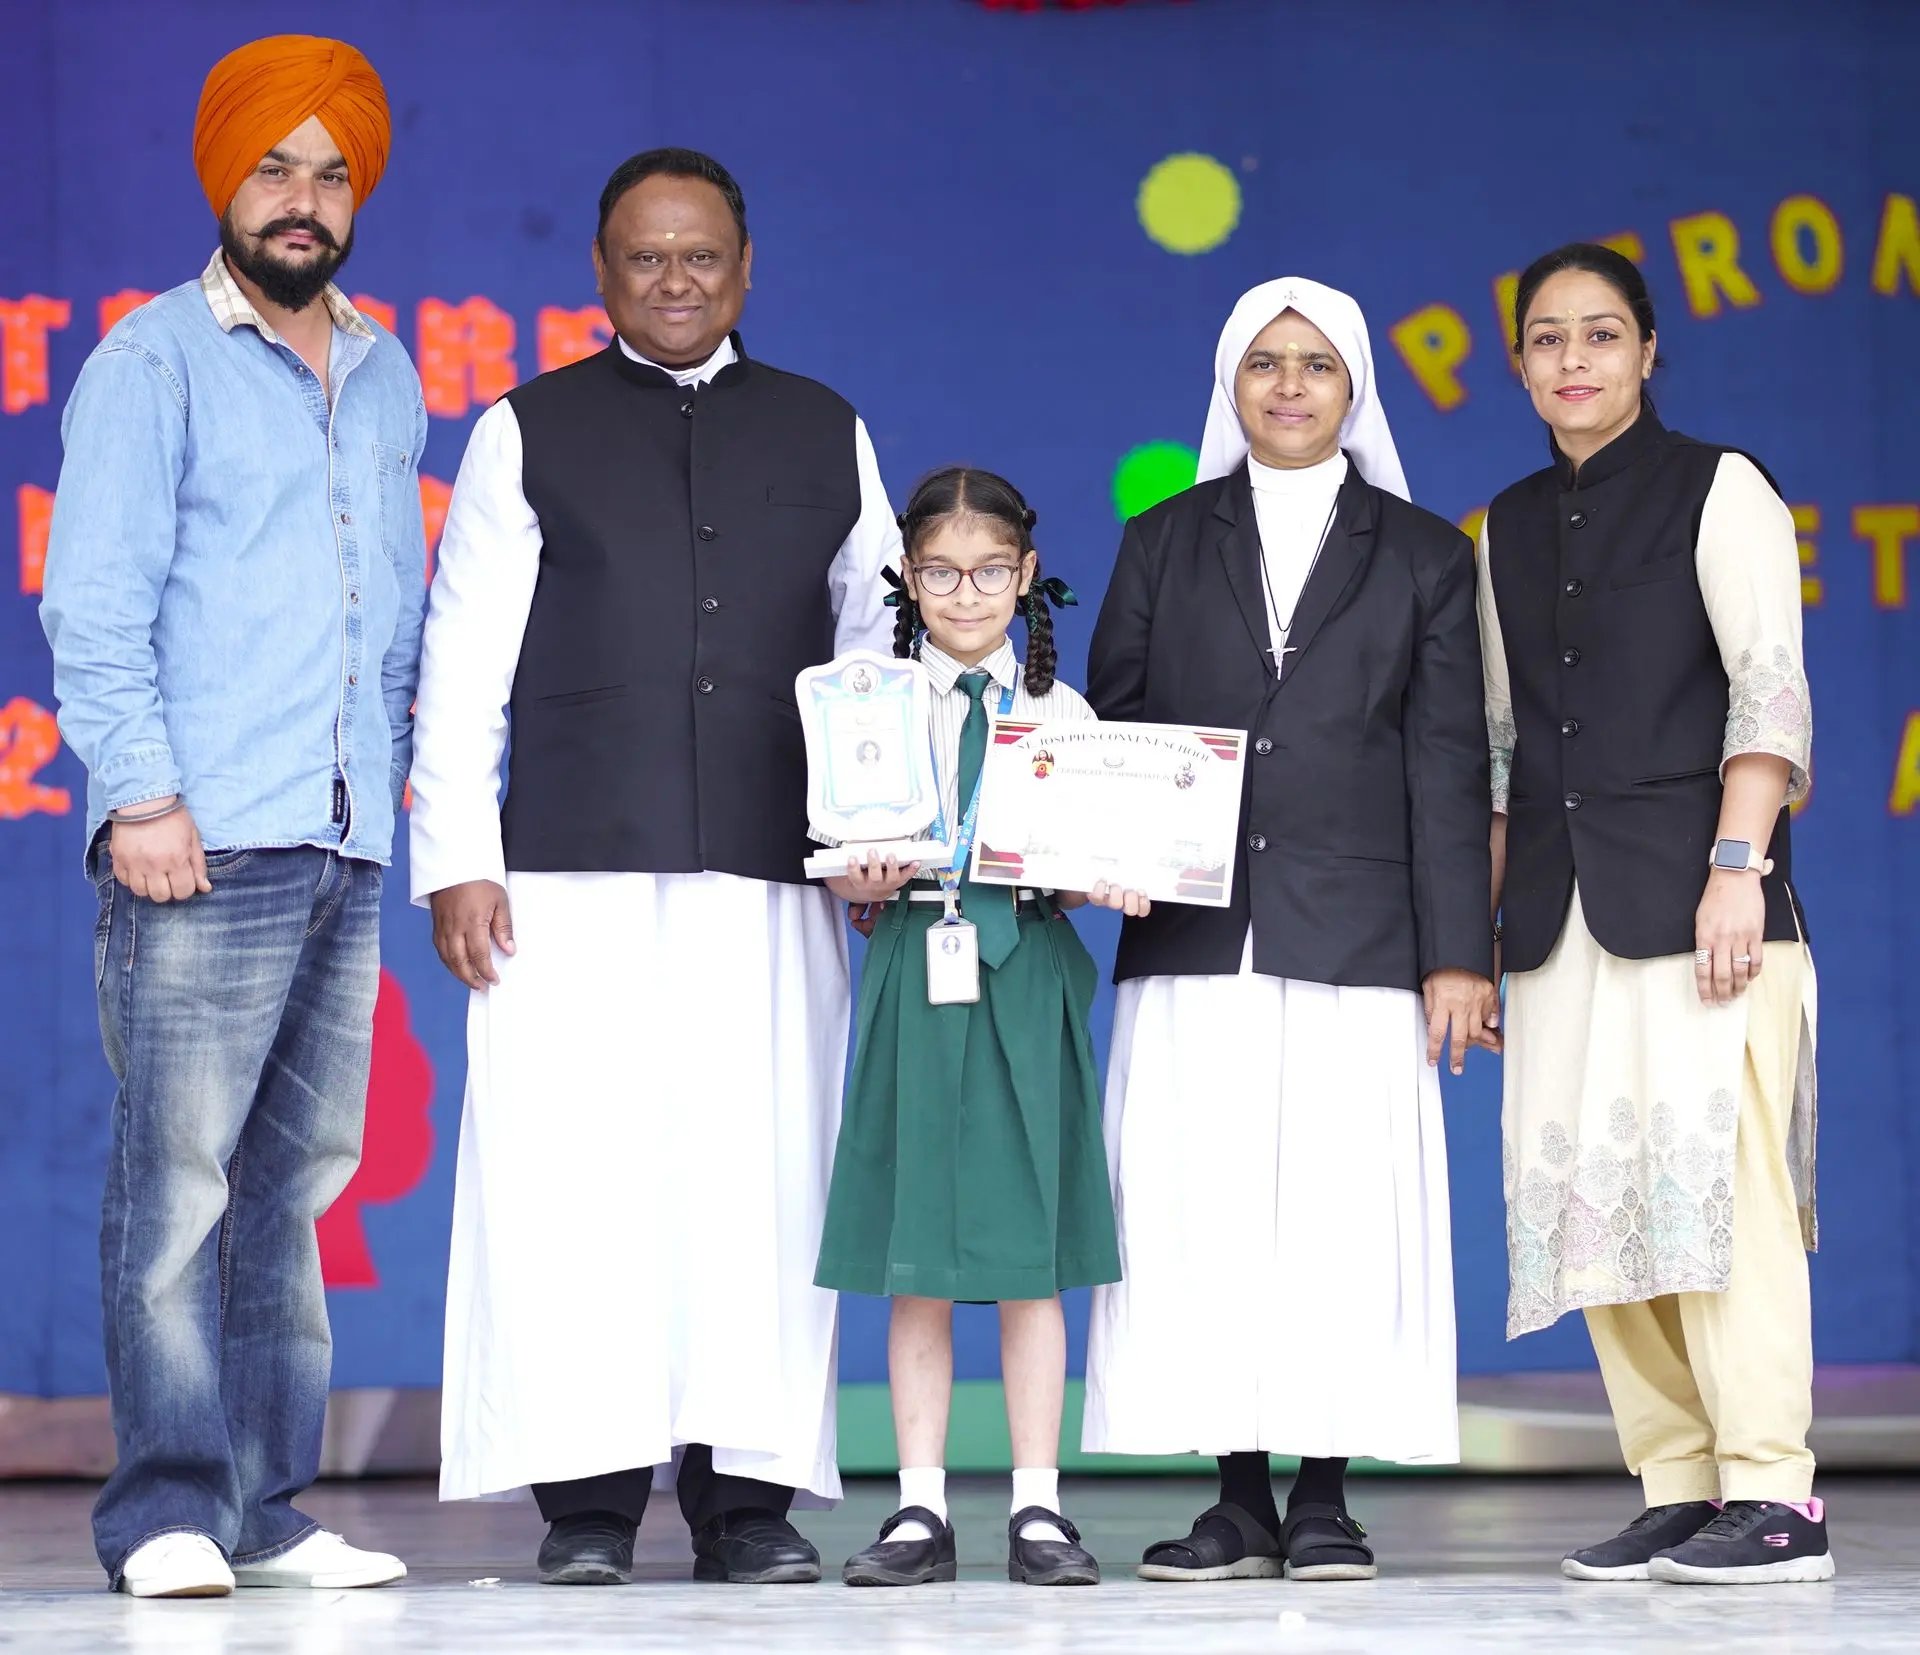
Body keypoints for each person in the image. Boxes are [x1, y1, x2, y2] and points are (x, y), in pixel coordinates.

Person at [409, 147, 902, 1587]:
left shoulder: (825, 426)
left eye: (701, 257)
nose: (675, 281)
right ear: (602, 273)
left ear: (745, 271)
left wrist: (876, 831)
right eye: (646, 257)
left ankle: (749, 1500)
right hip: (570, 877)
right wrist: (458, 857)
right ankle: (588, 1503)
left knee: (766, 1181)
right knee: (581, 1185)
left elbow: (876, 645)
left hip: (773, 870)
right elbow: (462, 660)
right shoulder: (526, 429)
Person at [37, 35, 420, 1598]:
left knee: (293, 1189)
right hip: (196, 836)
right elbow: (93, 601)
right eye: (274, 167)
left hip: (341, 836)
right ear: (224, 179)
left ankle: (263, 1507)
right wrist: (141, 795)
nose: (303, 199)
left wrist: (385, 780)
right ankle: (165, 1510)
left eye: (330, 172)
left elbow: (389, 606)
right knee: (178, 1186)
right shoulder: (152, 362)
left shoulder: (386, 367)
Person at [1079, 278, 1494, 1582]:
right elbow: (1114, 721)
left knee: (1337, 1216)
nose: (1291, 384)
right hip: (1194, 930)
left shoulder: (1427, 554)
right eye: (1265, 362)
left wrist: (1458, 953)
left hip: (1359, 936)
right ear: (1230, 383)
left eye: (1317, 363)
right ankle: (1236, 1496)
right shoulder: (1162, 538)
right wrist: (1114, 851)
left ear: (1355, 388)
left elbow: (1446, 764)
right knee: (1202, 1212)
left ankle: (1325, 1494)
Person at [1481, 243, 1828, 1585]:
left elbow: (1769, 686)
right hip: (1558, 917)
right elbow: (1502, 746)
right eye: (1548, 338)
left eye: (1601, 334)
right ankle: (1681, 1482)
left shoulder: (1720, 485)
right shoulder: (1506, 525)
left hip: (1705, 905)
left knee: (1721, 1198)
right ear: (1519, 363)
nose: (1573, 359)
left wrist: (1738, 861)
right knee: (1599, 1197)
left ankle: (1776, 1490)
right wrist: (1484, 932)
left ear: (1648, 350)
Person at [814, 468, 1146, 1590]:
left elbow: (1094, 854)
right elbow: (832, 851)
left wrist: (1117, 876)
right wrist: (856, 880)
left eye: (991, 571)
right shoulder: (867, 706)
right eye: (943, 573)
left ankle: (1038, 1505)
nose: (967, 594)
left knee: (1024, 1252)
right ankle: (919, 1506)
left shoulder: (1064, 716)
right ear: (907, 578)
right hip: (915, 965)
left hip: (1023, 973)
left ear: (1027, 574)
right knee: (918, 1250)